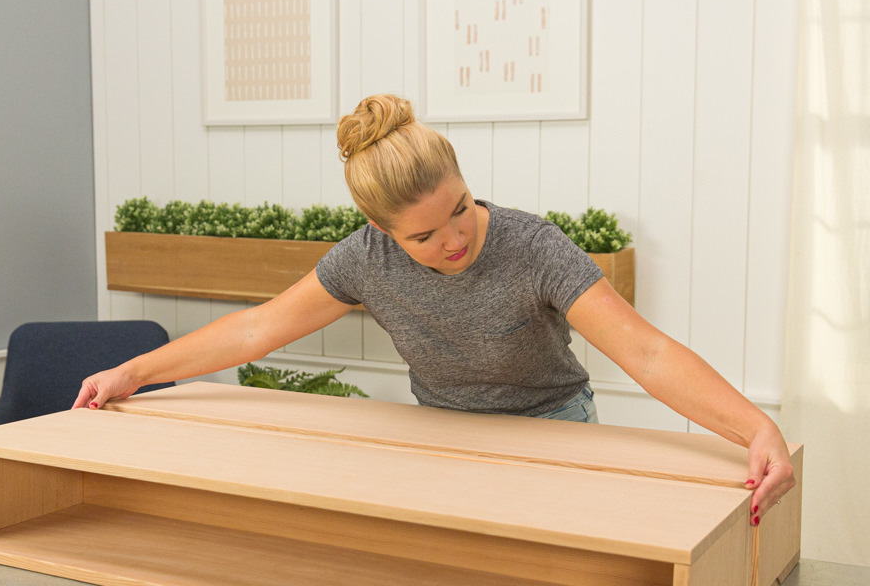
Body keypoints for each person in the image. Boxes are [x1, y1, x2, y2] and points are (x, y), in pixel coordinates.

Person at [73, 93, 795, 523]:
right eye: (425, 234)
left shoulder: (533, 246)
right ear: (382, 230)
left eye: (458, 208)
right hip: (443, 437)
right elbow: (260, 326)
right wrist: (136, 371)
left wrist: (754, 427)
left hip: (556, 434)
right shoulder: (364, 260)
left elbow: (646, 351)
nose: (454, 239)